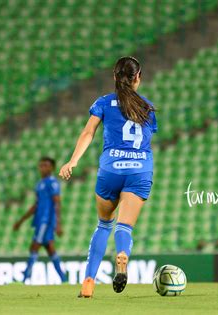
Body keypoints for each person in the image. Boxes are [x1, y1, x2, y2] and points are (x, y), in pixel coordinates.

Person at [59, 56, 157, 298]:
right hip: (139, 170)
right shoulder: (147, 107)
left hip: (110, 169)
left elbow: (88, 131)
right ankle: (122, 253)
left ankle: (89, 282)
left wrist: (73, 161)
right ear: (138, 78)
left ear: (115, 77)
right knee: (124, 226)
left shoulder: (103, 103)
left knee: (104, 224)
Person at [13, 157, 66, 284]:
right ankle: (64, 279)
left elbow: (57, 203)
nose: (42, 168)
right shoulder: (39, 184)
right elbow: (36, 205)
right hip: (39, 219)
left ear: (52, 168)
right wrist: (21, 220)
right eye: (41, 165)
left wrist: (58, 224)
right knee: (50, 248)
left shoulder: (52, 182)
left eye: (45, 165)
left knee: (34, 246)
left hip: (46, 221)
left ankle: (25, 278)